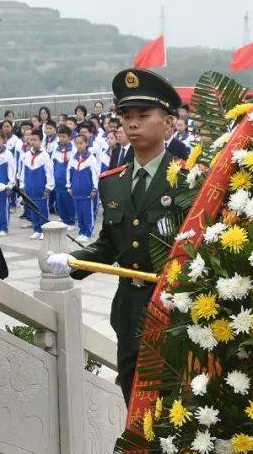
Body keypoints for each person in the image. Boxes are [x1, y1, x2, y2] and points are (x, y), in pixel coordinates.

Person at [46, 68, 185, 425]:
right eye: (127, 117)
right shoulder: (113, 183)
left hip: (172, 313)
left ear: (168, 124)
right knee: (135, 410)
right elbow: (109, 245)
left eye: (143, 116)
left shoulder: (188, 179)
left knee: (172, 414)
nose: (132, 124)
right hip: (128, 311)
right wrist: (72, 261)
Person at [19, 129, 54, 240]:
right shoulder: (26, 155)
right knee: (33, 209)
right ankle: (37, 229)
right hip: (29, 188)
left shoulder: (45, 156)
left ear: (41, 141)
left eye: (35, 140)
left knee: (42, 210)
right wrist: (22, 186)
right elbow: (23, 171)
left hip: (40, 188)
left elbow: (49, 173)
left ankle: (45, 230)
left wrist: (48, 187)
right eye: (31, 139)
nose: (33, 142)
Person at [68, 132, 100, 242]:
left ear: (86, 143)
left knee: (87, 213)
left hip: (87, 192)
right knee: (79, 213)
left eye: (81, 143)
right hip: (76, 192)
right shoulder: (73, 159)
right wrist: (69, 187)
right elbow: (69, 173)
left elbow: (95, 175)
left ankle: (87, 232)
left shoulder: (91, 158)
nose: (78, 145)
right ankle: (81, 231)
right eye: (76, 143)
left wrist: (94, 189)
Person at [50, 125, 75, 225]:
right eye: (59, 137)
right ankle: (64, 218)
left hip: (68, 182)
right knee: (60, 202)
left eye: (64, 136)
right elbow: (52, 164)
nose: (61, 139)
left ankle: (71, 220)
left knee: (69, 202)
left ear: (69, 137)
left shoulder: (73, 150)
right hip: (58, 182)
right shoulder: (56, 150)